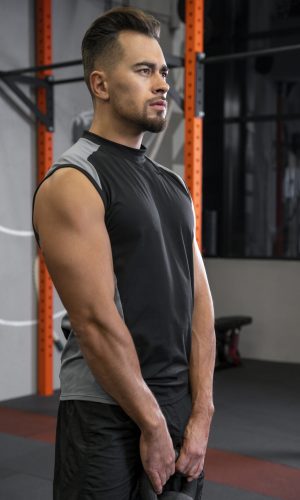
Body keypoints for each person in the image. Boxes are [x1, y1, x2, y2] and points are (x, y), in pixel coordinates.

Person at [32, 6, 215, 500]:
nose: (162, 84)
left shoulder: (173, 185)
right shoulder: (74, 181)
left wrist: (201, 412)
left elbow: (200, 302)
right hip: (106, 413)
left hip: (176, 407)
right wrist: (152, 423)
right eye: (143, 70)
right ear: (101, 84)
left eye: (163, 72)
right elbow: (93, 320)